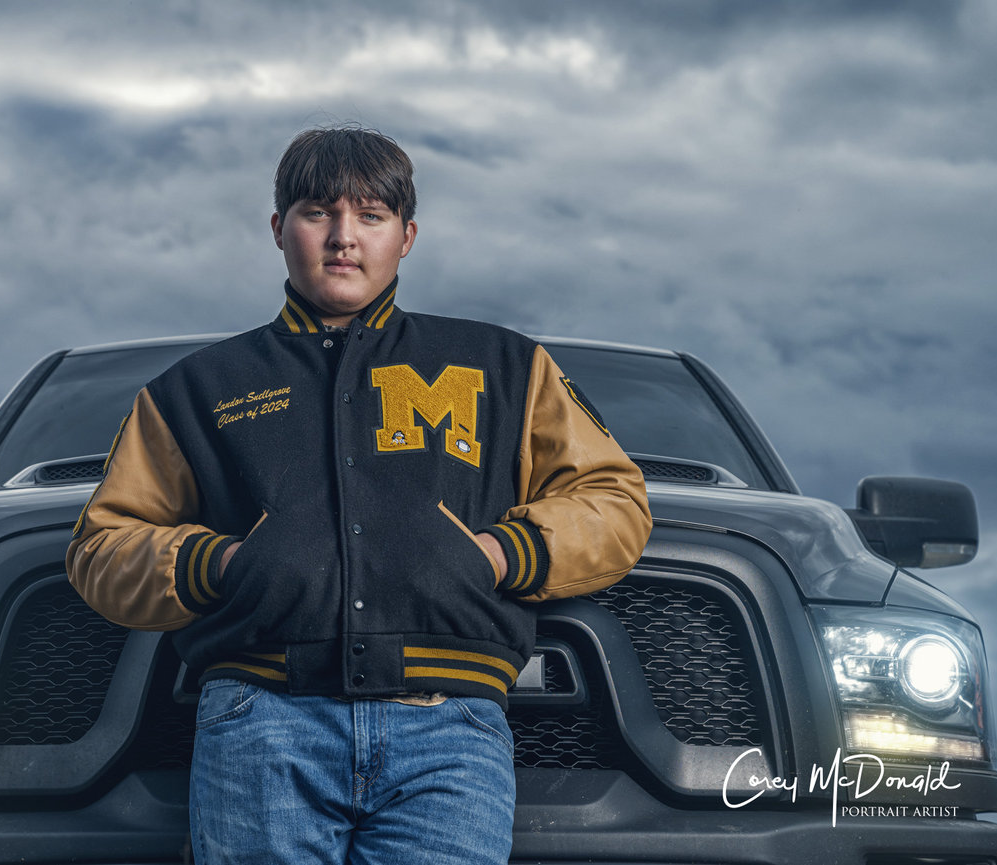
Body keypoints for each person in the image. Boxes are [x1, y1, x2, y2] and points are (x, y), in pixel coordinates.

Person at [66, 126, 652, 864]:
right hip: (261, 723)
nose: (343, 237)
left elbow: (613, 498)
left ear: (406, 237)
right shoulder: (195, 389)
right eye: (318, 212)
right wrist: (223, 563)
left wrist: (501, 554)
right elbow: (102, 544)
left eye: (370, 216)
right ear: (279, 229)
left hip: (450, 731)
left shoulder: (504, 365)